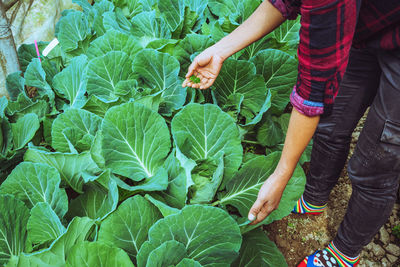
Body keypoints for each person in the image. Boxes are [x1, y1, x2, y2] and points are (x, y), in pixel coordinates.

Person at [182, 0, 400, 266]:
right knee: (333, 121)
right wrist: (219, 50)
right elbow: (285, 2)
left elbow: (314, 89)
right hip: (373, 24)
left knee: (376, 161)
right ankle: (313, 198)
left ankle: (345, 252)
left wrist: (282, 173)